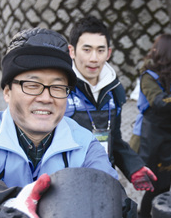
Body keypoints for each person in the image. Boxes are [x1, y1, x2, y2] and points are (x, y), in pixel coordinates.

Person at [0, 28, 120, 218]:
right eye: (32, 85)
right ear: (7, 92)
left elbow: (110, 191)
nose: (46, 98)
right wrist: (12, 205)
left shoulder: (86, 144)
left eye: (58, 87)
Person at [65, 16, 157, 192]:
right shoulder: (59, 88)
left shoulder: (115, 91)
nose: (94, 58)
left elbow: (114, 139)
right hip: (68, 183)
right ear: (72, 51)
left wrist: (134, 167)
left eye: (100, 50)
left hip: (105, 179)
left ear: (108, 53)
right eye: (87, 50)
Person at [129, 34, 171, 218]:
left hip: (167, 137)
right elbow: (158, 103)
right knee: (154, 185)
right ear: (169, 53)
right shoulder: (148, 77)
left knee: (165, 183)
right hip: (148, 138)